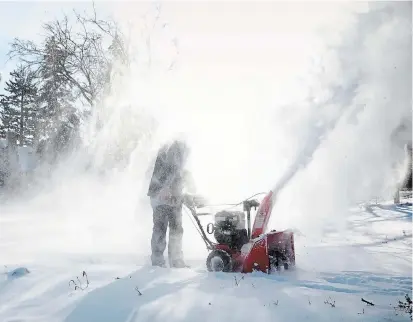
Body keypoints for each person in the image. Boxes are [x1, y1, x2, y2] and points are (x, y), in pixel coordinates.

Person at [147, 138, 196, 268]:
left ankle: (176, 260)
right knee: (161, 227)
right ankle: (158, 261)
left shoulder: (181, 149)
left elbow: (181, 171)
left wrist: (190, 186)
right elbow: (169, 169)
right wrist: (166, 188)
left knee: (176, 228)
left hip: (173, 196)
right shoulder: (172, 148)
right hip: (161, 196)